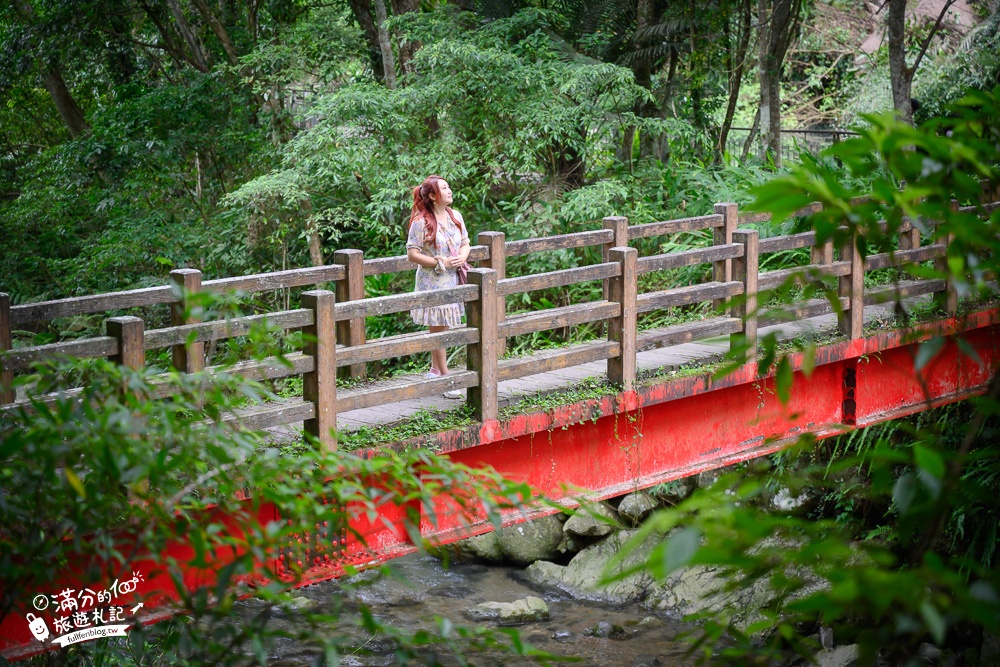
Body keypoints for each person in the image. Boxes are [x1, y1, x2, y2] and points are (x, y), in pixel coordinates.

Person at [405, 175, 471, 399]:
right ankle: (445, 377)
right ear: (433, 196)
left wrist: (461, 258)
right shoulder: (420, 222)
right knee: (437, 327)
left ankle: (435, 371)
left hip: (450, 279)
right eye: (444, 188)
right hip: (431, 282)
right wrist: (439, 262)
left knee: (443, 328)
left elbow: (465, 242)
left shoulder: (456, 216)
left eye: (449, 186)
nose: (450, 190)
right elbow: (412, 254)